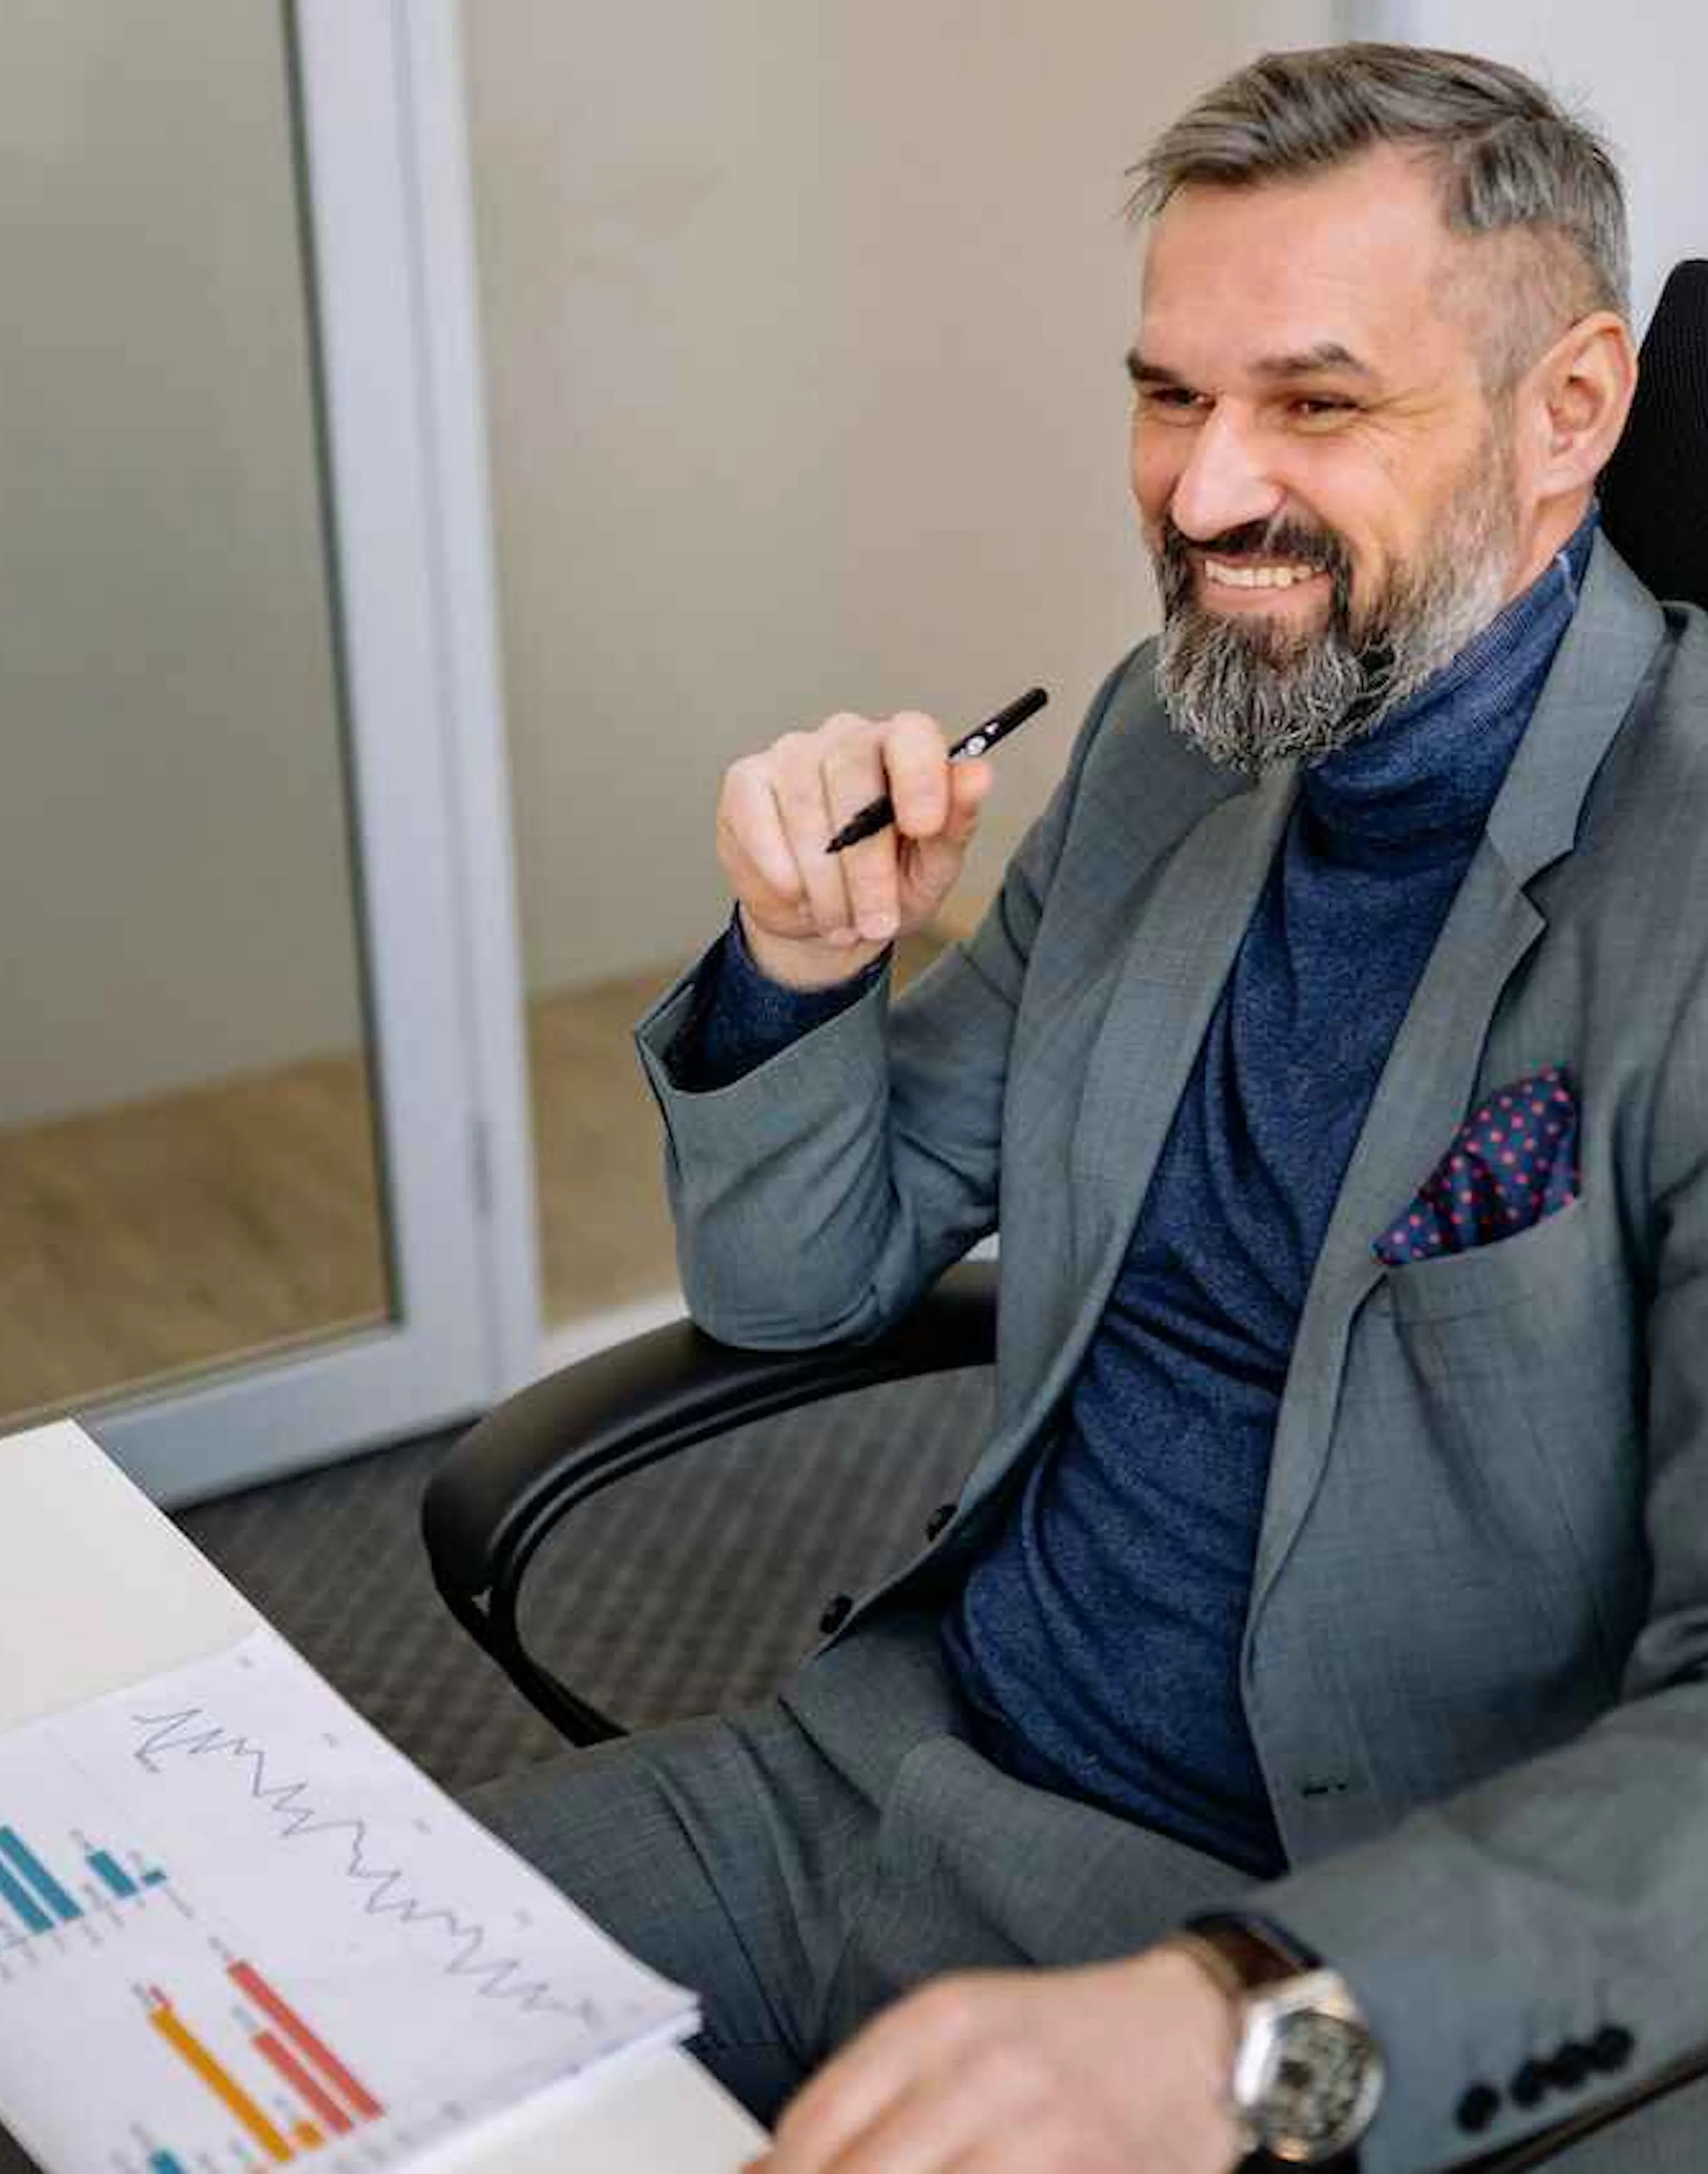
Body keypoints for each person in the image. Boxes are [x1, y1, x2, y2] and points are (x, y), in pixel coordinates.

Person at [466, 42, 1708, 2174]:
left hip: (1335, 1960)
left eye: (1316, 405)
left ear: (1569, 410)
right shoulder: (1170, 739)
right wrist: (801, 967)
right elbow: (800, 1282)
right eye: (1167, 395)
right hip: (886, 1789)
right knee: (236, 2019)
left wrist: (1242, 2032)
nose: (1205, 493)